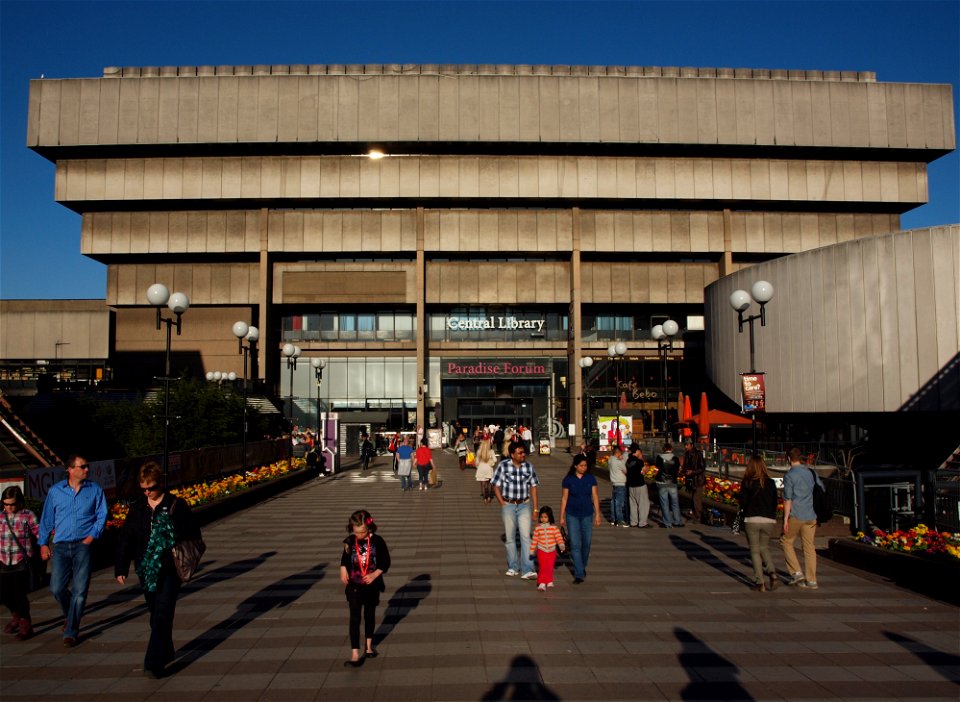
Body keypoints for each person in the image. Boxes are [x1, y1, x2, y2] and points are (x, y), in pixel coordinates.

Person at [115, 461, 201, 678]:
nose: (147, 493)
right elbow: (127, 538)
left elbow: (193, 534)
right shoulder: (138, 508)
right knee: (155, 615)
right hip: (146, 569)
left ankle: (153, 662)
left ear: (160, 484)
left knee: (163, 613)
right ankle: (166, 650)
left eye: (151, 488)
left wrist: (172, 537)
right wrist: (121, 567)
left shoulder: (176, 505)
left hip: (169, 569)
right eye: (143, 489)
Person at [38, 455, 107, 647]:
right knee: (56, 588)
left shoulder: (94, 490)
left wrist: (92, 536)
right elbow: (46, 519)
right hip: (60, 545)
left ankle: (71, 631)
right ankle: (70, 613)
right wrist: (43, 544)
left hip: (83, 545)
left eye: (87, 466)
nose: (86, 469)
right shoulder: (55, 491)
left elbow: (102, 515)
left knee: (80, 591)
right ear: (70, 469)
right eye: (82, 467)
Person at [339, 510, 390, 667]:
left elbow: (385, 561)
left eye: (362, 532)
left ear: (369, 528)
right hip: (354, 586)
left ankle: (368, 646)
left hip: (371, 586)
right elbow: (345, 558)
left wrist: (375, 574)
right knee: (355, 618)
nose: (359, 535)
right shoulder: (350, 541)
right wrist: (342, 568)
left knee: (369, 615)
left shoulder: (378, 542)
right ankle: (355, 652)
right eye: (355, 532)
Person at [491, 441, 540, 579]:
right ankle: (513, 566)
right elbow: (495, 485)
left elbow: (534, 487)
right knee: (510, 538)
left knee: (526, 537)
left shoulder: (529, 467)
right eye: (520, 452)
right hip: (509, 504)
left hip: (524, 504)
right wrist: (502, 503)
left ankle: (528, 569)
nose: (523, 455)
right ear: (512, 454)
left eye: (523, 452)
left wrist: (536, 509)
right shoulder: (503, 466)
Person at [1, 486, 40, 640]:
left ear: (19, 502)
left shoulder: (27, 515)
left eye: (12, 504)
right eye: (5, 504)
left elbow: (38, 531)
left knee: (19, 594)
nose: (8, 507)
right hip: (3, 560)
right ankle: (16, 615)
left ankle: (25, 623)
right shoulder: (0, 517)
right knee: (4, 595)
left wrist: (45, 547)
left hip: (21, 560)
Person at [738, 455, 779, 592]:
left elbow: (742, 501)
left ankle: (760, 582)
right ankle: (772, 572)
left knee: (754, 551)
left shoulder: (747, 482)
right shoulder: (771, 482)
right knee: (764, 547)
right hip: (768, 520)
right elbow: (775, 502)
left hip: (752, 519)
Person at [781, 447, 821, 589]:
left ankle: (797, 572)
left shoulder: (790, 475)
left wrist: (785, 518)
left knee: (786, 541)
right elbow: (821, 488)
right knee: (809, 547)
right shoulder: (811, 472)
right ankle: (812, 580)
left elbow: (788, 499)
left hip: (796, 514)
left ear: (788, 459)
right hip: (811, 514)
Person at [560, 454, 602, 584]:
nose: (584, 468)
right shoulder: (568, 479)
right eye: (581, 466)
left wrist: (598, 514)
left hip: (587, 514)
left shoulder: (590, 478)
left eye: (585, 466)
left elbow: (595, 496)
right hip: (572, 514)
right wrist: (561, 516)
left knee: (587, 543)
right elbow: (564, 498)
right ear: (575, 466)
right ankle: (579, 573)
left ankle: (582, 565)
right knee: (574, 544)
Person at [530, 506, 565, 592]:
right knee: (542, 566)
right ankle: (541, 582)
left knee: (549, 566)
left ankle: (549, 580)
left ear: (550, 517)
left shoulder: (554, 528)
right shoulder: (538, 528)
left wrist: (561, 545)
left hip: (552, 550)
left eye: (545, 517)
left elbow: (558, 537)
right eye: (541, 517)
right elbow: (535, 540)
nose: (543, 519)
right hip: (541, 550)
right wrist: (532, 550)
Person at [654, 443, 683, 528]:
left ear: (663, 449)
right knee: (675, 503)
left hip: (662, 482)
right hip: (672, 482)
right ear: (671, 449)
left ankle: (667, 522)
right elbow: (678, 470)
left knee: (664, 503)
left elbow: (657, 468)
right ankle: (677, 521)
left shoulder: (659, 457)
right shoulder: (675, 458)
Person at [625, 443, 651, 528]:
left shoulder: (628, 461)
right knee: (643, 504)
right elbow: (644, 471)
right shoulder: (639, 461)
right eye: (639, 450)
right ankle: (642, 523)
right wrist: (646, 466)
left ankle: (633, 522)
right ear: (637, 451)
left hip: (631, 485)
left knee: (633, 504)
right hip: (639, 484)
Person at [682, 440, 707, 523]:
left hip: (698, 480)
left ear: (691, 445)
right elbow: (685, 465)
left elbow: (702, 467)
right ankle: (694, 516)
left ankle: (698, 516)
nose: (685, 447)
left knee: (697, 499)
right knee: (693, 499)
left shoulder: (698, 454)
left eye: (687, 445)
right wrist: (684, 470)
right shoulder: (687, 454)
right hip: (691, 480)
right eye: (685, 445)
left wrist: (692, 472)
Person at [607, 444, 628, 527]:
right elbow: (626, 471)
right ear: (618, 453)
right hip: (621, 483)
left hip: (614, 483)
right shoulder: (618, 462)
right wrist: (622, 460)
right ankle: (620, 520)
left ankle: (613, 519)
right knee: (619, 503)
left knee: (614, 502)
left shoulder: (610, 460)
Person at [475, 439, 497, 503]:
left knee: (483, 484)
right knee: (489, 484)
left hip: (481, 468)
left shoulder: (479, 451)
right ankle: (489, 497)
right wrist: (491, 463)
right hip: (488, 468)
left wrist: (478, 466)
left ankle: (485, 498)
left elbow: (477, 461)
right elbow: (495, 460)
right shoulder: (491, 451)